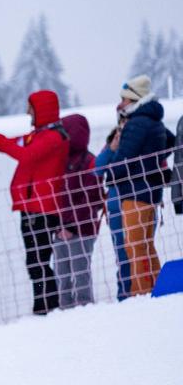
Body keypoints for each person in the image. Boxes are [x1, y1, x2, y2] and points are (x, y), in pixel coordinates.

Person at [0, 89, 69, 315]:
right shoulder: (38, 135)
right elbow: (15, 144)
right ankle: (45, 304)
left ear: (41, 110)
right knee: (35, 260)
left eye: (31, 107)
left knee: (37, 260)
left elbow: (24, 155)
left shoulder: (53, 137)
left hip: (41, 208)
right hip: (32, 207)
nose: (27, 112)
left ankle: (47, 304)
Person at [101, 76, 170, 296]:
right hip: (149, 190)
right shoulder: (153, 120)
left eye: (124, 99)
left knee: (134, 246)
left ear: (135, 99)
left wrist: (110, 175)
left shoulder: (137, 123)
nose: (121, 104)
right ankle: (157, 289)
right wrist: (151, 163)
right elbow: (170, 140)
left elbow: (124, 158)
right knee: (145, 245)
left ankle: (141, 294)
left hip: (134, 191)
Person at [55, 114, 104, 308]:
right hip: (59, 229)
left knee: (80, 271)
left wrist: (72, 226)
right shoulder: (60, 161)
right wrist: (58, 225)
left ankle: (84, 308)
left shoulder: (90, 161)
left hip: (83, 229)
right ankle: (64, 311)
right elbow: (55, 197)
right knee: (62, 273)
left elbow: (92, 199)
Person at [96, 112, 134, 299]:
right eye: (121, 124)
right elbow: (98, 168)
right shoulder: (113, 144)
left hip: (136, 200)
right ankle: (124, 294)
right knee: (122, 253)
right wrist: (112, 148)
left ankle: (141, 288)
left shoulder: (139, 142)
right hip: (115, 206)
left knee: (138, 249)